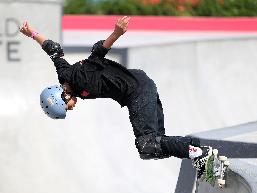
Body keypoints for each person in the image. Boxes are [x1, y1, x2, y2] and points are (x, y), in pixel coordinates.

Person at [20, 16, 213, 179]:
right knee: (155, 147)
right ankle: (197, 151)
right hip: (140, 84)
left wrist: (117, 33)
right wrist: (33, 34)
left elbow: (98, 53)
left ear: (63, 95)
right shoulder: (64, 74)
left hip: (137, 91)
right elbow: (53, 49)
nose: (71, 108)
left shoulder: (80, 78)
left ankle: (200, 153)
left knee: (147, 144)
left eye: (66, 107)